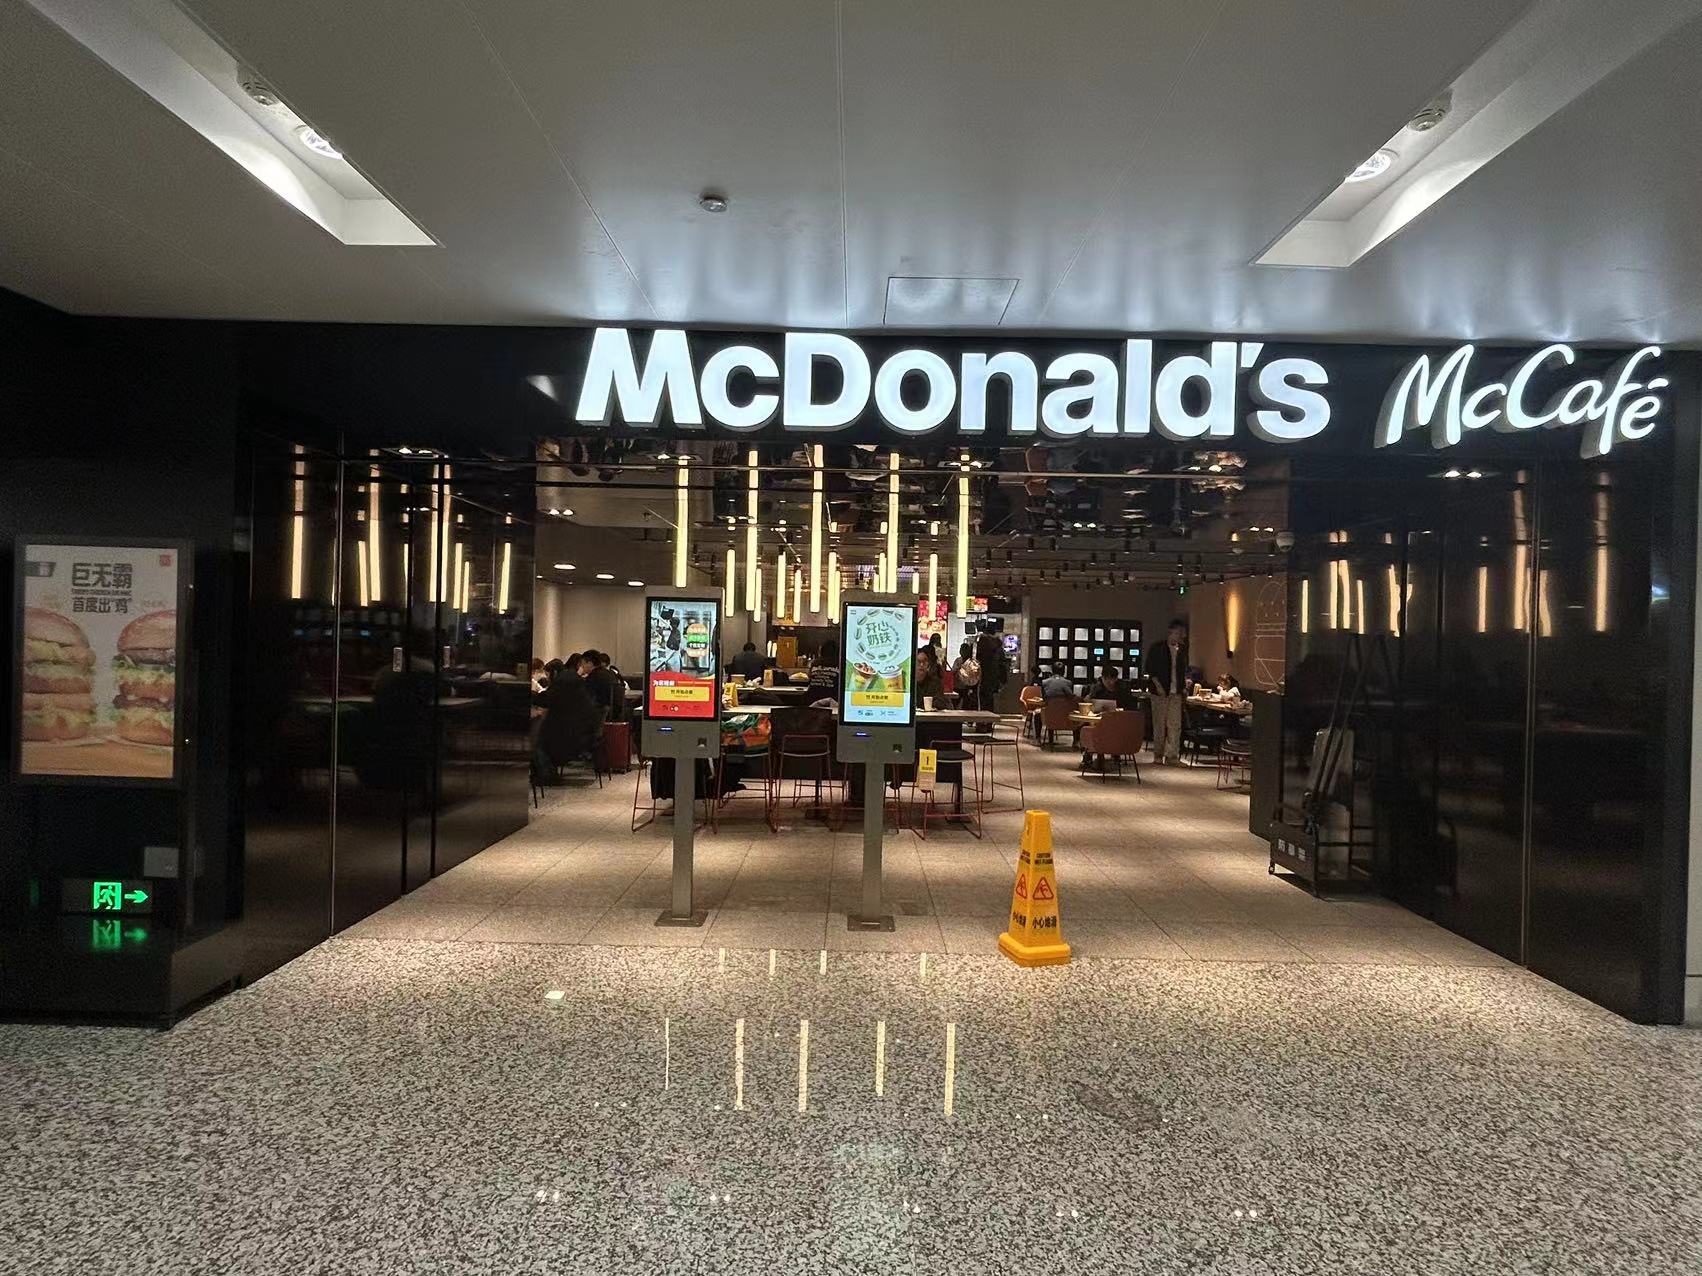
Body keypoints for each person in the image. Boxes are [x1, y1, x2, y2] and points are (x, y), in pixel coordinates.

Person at [1144, 620, 1189, 764]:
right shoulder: (1157, 648)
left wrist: (1183, 687)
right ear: (1171, 632)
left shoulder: (1182, 650)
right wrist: (1158, 686)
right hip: (1160, 692)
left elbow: (1181, 671)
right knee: (1159, 725)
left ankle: (1172, 756)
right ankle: (1158, 755)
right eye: (1179, 633)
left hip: (1176, 692)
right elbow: (1150, 670)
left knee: (1175, 725)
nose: (1181, 636)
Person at [584, 650, 624, 722]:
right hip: (617, 709)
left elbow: (587, 696)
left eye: (582, 663)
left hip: (603, 712)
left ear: (589, 663)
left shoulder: (594, 676)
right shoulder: (610, 673)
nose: (582, 666)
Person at [974, 630, 1008, 711]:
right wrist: (1002, 681)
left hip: (979, 678)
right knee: (989, 700)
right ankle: (988, 716)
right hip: (992, 679)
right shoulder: (998, 649)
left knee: (977, 700)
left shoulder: (979, 646)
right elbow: (1002, 666)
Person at [807, 638, 840, 705]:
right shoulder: (839, 664)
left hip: (811, 701)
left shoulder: (815, 663)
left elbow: (809, 677)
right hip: (831, 701)